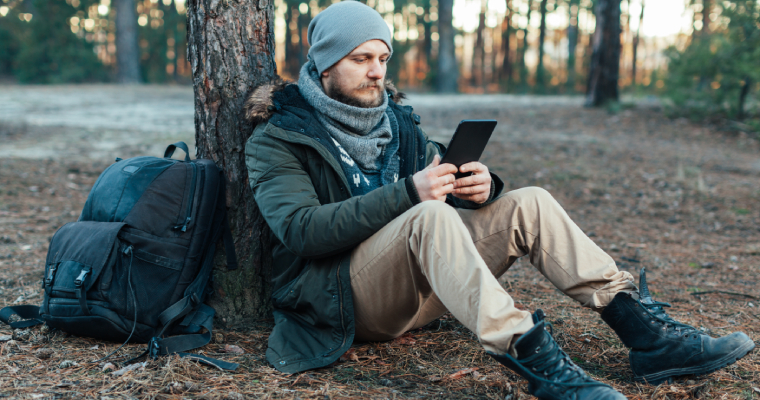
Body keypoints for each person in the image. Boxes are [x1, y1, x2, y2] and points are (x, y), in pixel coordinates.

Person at [243, 2, 755, 398]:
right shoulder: (281, 136)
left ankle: (646, 335)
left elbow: (441, 174)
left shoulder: (395, 121)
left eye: (382, 58)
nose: (377, 71)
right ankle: (536, 360)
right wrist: (409, 194)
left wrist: (484, 187)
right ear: (326, 64)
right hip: (341, 302)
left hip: (419, 289)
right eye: (361, 59)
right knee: (424, 214)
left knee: (528, 201)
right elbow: (300, 230)